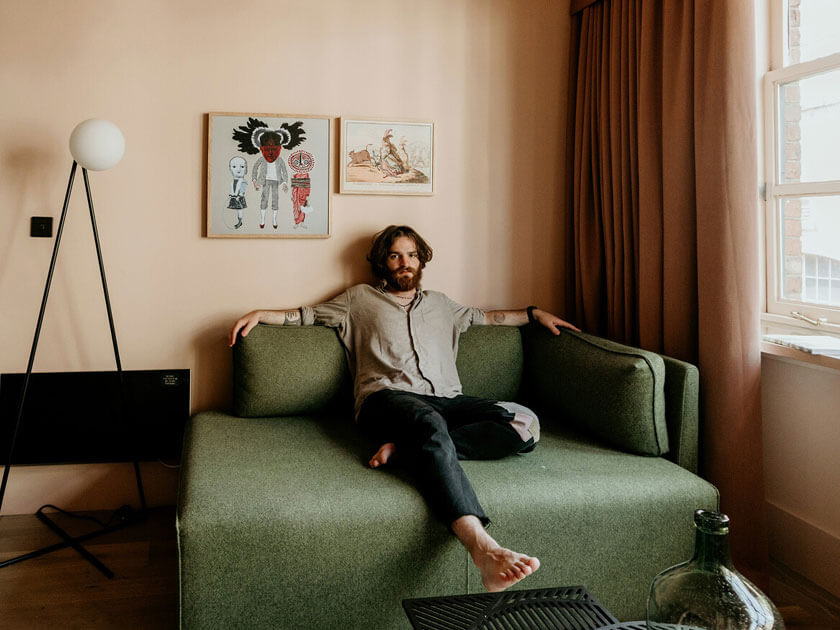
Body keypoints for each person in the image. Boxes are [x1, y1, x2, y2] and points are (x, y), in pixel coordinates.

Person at [228, 225, 579, 592]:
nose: (404, 263)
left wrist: (535, 313)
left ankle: (409, 451)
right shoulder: (358, 299)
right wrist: (261, 314)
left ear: (421, 259)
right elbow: (306, 315)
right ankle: (482, 547)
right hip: (386, 398)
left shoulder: (443, 304)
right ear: (383, 262)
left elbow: (491, 318)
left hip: (446, 400)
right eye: (395, 255)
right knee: (428, 423)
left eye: (411, 255)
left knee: (525, 423)